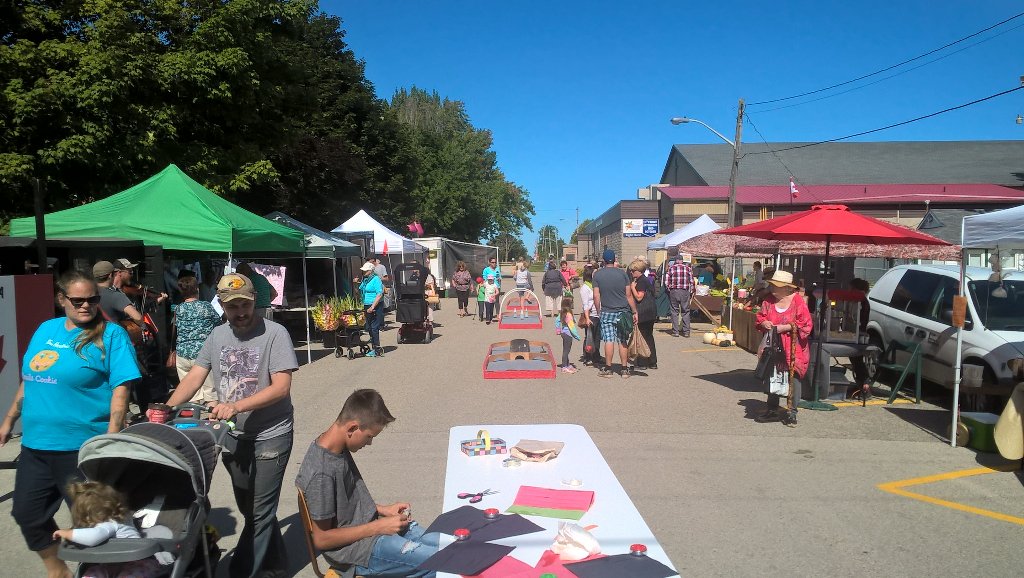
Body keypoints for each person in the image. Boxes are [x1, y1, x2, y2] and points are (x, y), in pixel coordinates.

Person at [1, 270, 140, 578]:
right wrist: (9, 420)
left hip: (81, 447)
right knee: (27, 513)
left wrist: (111, 439)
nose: (85, 306)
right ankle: (57, 570)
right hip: (36, 444)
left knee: (95, 526)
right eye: (77, 300)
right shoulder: (46, 329)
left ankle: (103, 573)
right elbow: (30, 379)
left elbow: (121, 390)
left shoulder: (111, 334)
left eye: (92, 299)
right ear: (61, 299)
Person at [165, 272, 298, 577]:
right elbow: (196, 374)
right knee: (250, 510)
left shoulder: (276, 333)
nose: (239, 312)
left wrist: (235, 406)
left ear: (254, 302)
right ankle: (276, 564)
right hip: (233, 436)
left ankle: (243, 571)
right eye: (231, 306)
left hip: (271, 435)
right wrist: (167, 407)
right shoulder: (217, 335)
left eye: (244, 304)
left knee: (261, 512)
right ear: (222, 306)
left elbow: (281, 387)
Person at [296, 389, 439, 578]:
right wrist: (378, 527)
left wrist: (382, 510)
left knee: (449, 545)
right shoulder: (321, 473)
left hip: (371, 530)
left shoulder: (335, 445)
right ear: (352, 428)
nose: (369, 443)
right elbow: (322, 539)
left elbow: (343, 503)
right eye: (370, 436)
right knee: (441, 563)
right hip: (357, 552)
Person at [53, 481, 164, 578]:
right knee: (92, 573)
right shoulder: (121, 519)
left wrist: (67, 533)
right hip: (112, 565)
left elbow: (92, 537)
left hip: (140, 565)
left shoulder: (110, 525)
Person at [754, 270, 814, 427]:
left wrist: (785, 327)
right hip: (773, 346)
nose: (773, 288)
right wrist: (764, 323)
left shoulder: (798, 302)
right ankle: (772, 409)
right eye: (772, 285)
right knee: (772, 375)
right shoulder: (768, 301)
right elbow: (760, 317)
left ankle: (791, 412)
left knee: (793, 378)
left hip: (793, 348)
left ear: (788, 288)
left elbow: (806, 325)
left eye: (777, 286)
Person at [170, 276, 222, 405]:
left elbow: (175, 328)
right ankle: (211, 422)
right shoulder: (206, 306)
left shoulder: (178, 308)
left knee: (191, 394)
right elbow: (219, 324)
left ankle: (194, 421)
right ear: (197, 289)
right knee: (211, 393)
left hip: (182, 355)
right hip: (203, 355)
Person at [592, 249, 638, 378]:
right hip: (623, 311)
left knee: (609, 340)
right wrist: (634, 311)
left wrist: (598, 310)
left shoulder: (598, 275)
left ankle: (608, 369)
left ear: (604, 260)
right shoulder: (623, 274)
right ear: (615, 259)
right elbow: (629, 295)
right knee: (622, 340)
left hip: (607, 311)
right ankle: (624, 369)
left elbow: (596, 296)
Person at [94, 260, 145, 325]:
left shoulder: (89, 293)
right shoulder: (115, 295)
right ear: (110, 275)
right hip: (113, 334)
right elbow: (138, 318)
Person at [629, 258, 658, 370]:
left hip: (644, 312)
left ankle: (642, 363)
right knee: (649, 336)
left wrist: (632, 287)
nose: (631, 272)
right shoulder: (646, 280)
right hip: (651, 311)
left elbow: (639, 297)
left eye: (633, 271)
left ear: (638, 271)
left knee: (642, 337)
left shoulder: (641, 281)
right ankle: (652, 362)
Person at [662, 251, 694, 338]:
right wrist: (691, 292)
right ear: (682, 261)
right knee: (685, 311)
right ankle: (686, 332)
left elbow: (666, 281)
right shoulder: (688, 269)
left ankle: (675, 332)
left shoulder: (671, 268)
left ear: (676, 260)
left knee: (674, 311)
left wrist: (670, 289)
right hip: (684, 291)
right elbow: (692, 282)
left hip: (674, 291)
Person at [358, 262, 385, 357]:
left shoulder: (376, 279)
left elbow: (379, 293)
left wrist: (372, 307)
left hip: (375, 305)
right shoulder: (365, 280)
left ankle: (376, 348)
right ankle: (373, 346)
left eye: (365, 271)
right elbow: (362, 289)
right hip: (366, 305)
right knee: (368, 327)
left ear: (370, 271)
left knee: (374, 328)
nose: (363, 272)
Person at [578, 268, 602, 366]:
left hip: (598, 314)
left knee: (597, 337)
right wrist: (587, 318)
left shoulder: (596, 285)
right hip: (591, 315)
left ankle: (596, 356)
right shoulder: (585, 288)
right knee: (589, 337)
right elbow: (585, 304)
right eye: (595, 273)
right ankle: (587, 357)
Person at [555, 296, 581, 374]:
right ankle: (564, 366)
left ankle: (567, 364)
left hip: (563, 333)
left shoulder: (562, 313)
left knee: (566, 349)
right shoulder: (569, 314)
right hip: (568, 334)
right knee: (566, 350)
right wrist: (577, 336)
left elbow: (557, 321)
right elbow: (572, 327)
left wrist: (558, 330)